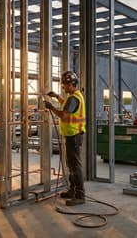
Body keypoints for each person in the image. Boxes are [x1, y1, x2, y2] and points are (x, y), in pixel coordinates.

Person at [44, 71, 86, 206]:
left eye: (64, 85)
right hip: (72, 136)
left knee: (75, 166)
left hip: (73, 136)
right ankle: (73, 191)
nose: (63, 87)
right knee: (71, 164)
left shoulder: (74, 99)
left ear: (71, 84)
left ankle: (79, 195)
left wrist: (51, 108)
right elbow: (66, 104)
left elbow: (64, 115)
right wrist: (56, 97)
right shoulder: (73, 96)